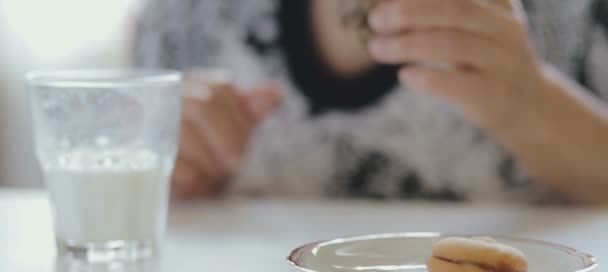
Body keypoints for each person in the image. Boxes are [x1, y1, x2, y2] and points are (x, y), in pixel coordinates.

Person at [135, 0, 608, 204]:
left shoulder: (574, 16)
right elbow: (120, 179)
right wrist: (170, 162)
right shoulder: (186, 17)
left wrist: (531, 106)